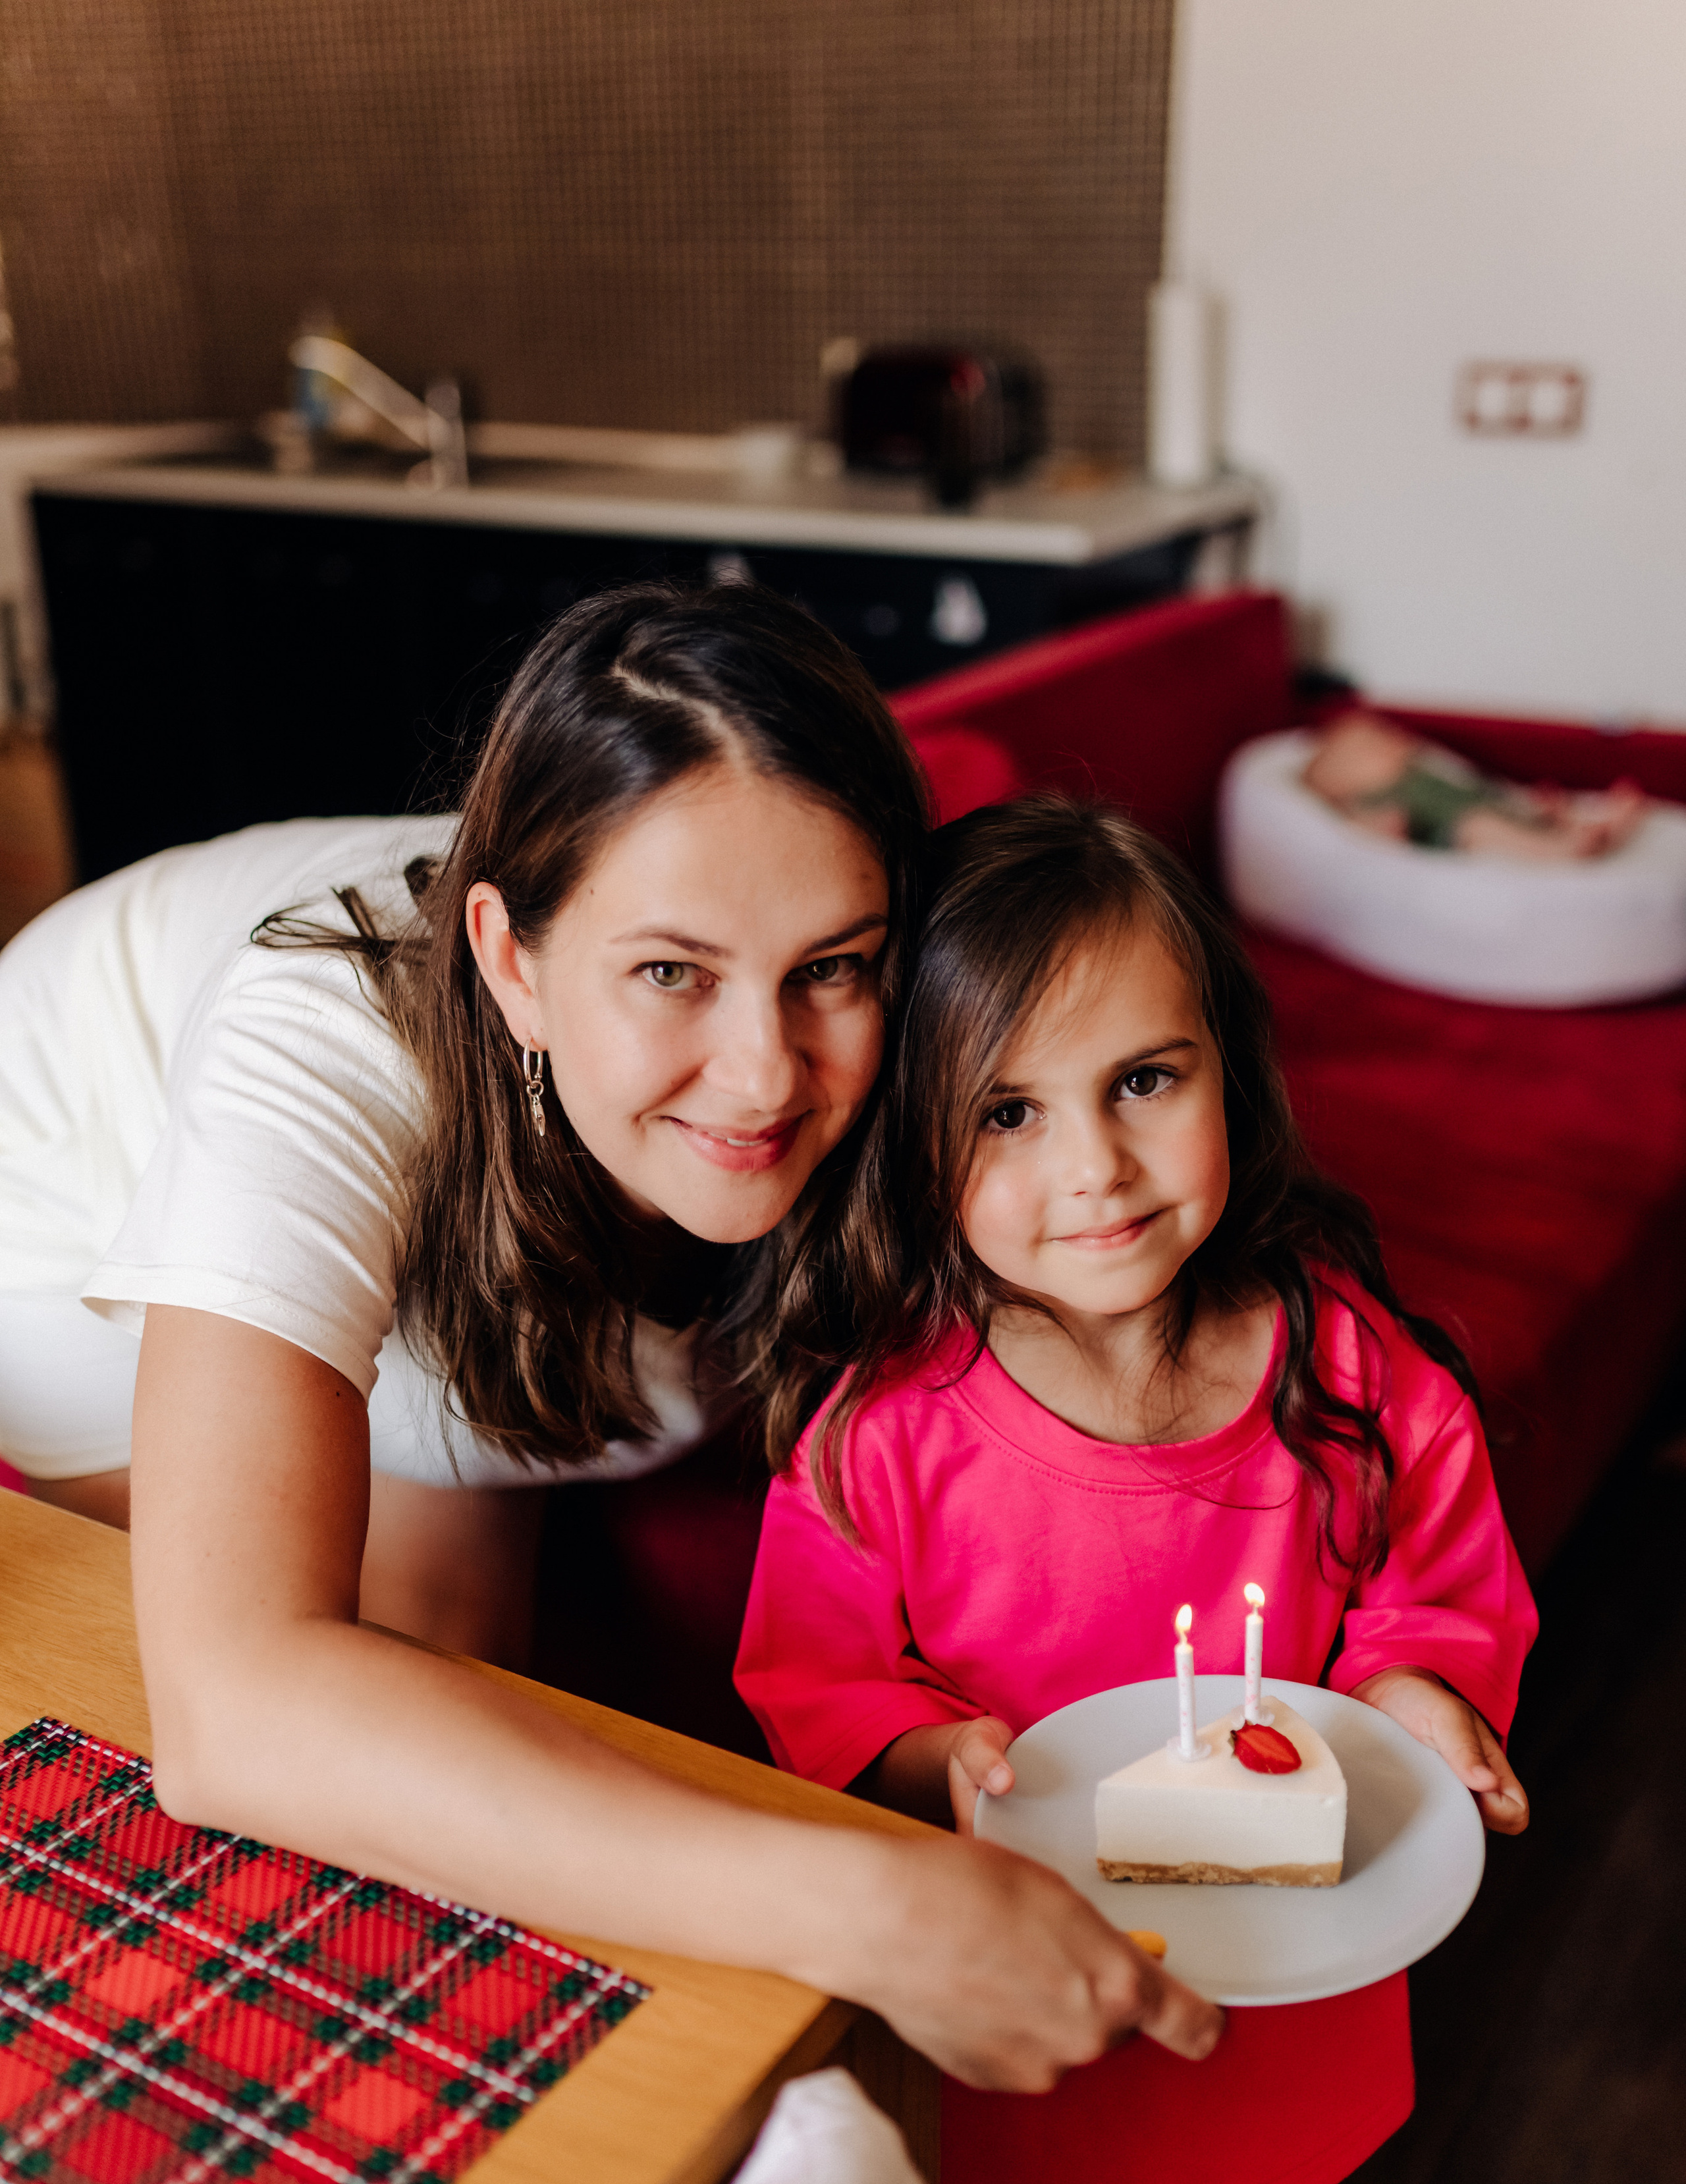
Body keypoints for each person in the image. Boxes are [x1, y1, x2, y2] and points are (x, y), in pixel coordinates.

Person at [0, 586, 1221, 2096]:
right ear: (510, 960)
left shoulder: (891, 1000)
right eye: (670, 972)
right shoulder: (312, 1036)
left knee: (472, 1745)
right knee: (358, 1807)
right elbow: (232, 1706)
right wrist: (870, 1901)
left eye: (829, 964)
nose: (765, 1072)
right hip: (61, 1196)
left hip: (477, 1272)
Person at [735, 795, 1535, 2184]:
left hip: (1274, 1991)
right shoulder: (883, 1431)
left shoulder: (1347, 1367)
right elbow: (816, 1678)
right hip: (1035, 2022)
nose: (1092, 1165)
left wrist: (1417, 1692)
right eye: (1009, 1111)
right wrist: (936, 1757)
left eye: (1144, 1081)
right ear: (914, 1141)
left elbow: (1433, 1578)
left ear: (1232, 1070)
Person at [1302, 707, 1645, 860]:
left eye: (1386, 736)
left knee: (1534, 807)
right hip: (1453, 831)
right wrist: (1386, 825)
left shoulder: (1423, 770)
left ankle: (1596, 825)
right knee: (1479, 827)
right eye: (1372, 746)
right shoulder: (1370, 798)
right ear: (1342, 780)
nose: (1393, 744)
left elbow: (1477, 785)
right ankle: (1565, 848)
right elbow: (1379, 830)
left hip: (1492, 804)